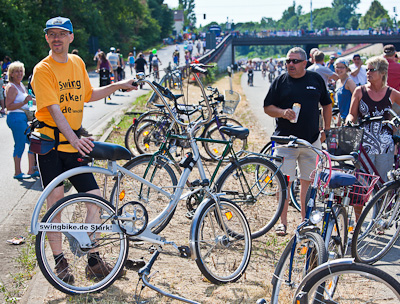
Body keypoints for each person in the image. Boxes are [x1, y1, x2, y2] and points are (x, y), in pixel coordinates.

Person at [31, 16, 138, 283]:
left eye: (61, 34)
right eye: (51, 34)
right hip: (51, 146)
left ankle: (92, 259)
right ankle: (60, 262)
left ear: (71, 37)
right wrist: (76, 139)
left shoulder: (77, 63)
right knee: (55, 203)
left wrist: (117, 85)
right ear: (46, 38)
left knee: (95, 198)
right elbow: (55, 111)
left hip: (74, 144)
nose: (56, 39)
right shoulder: (42, 70)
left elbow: (88, 94)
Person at [264, 47, 332, 236]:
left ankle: (305, 220)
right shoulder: (280, 81)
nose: (290, 64)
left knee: (308, 183)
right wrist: (282, 113)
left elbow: (327, 104)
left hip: (310, 141)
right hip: (285, 142)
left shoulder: (315, 79)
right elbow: (267, 107)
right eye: (288, 61)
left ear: (305, 63)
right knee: (284, 183)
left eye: (295, 61)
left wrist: (326, 130)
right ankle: (282, 222)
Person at [346, 56, 400, 221]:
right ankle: (358, 222)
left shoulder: (392, 93)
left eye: (371, 70)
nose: (367, 73)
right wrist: (348, 121)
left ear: (382, 73)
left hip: (385, 146)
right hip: (364, 144)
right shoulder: (360, 91)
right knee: (360, 185)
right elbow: (352, 114)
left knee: (383, 184)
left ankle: (379, 219)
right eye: (367, 70)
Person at [5, 61, 38, 179]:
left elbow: (28, 101)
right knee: (21, 144)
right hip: (15, 118)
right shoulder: (11, 87)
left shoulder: (21, 86)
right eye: (16, 71)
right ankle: (18, 172)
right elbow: (8, 106)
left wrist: (42, 102)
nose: (19, 73)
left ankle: (31, 170)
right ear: (11, 74)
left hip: (22, 118)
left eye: (21, 71)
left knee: (31, 142)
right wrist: (24, 102)